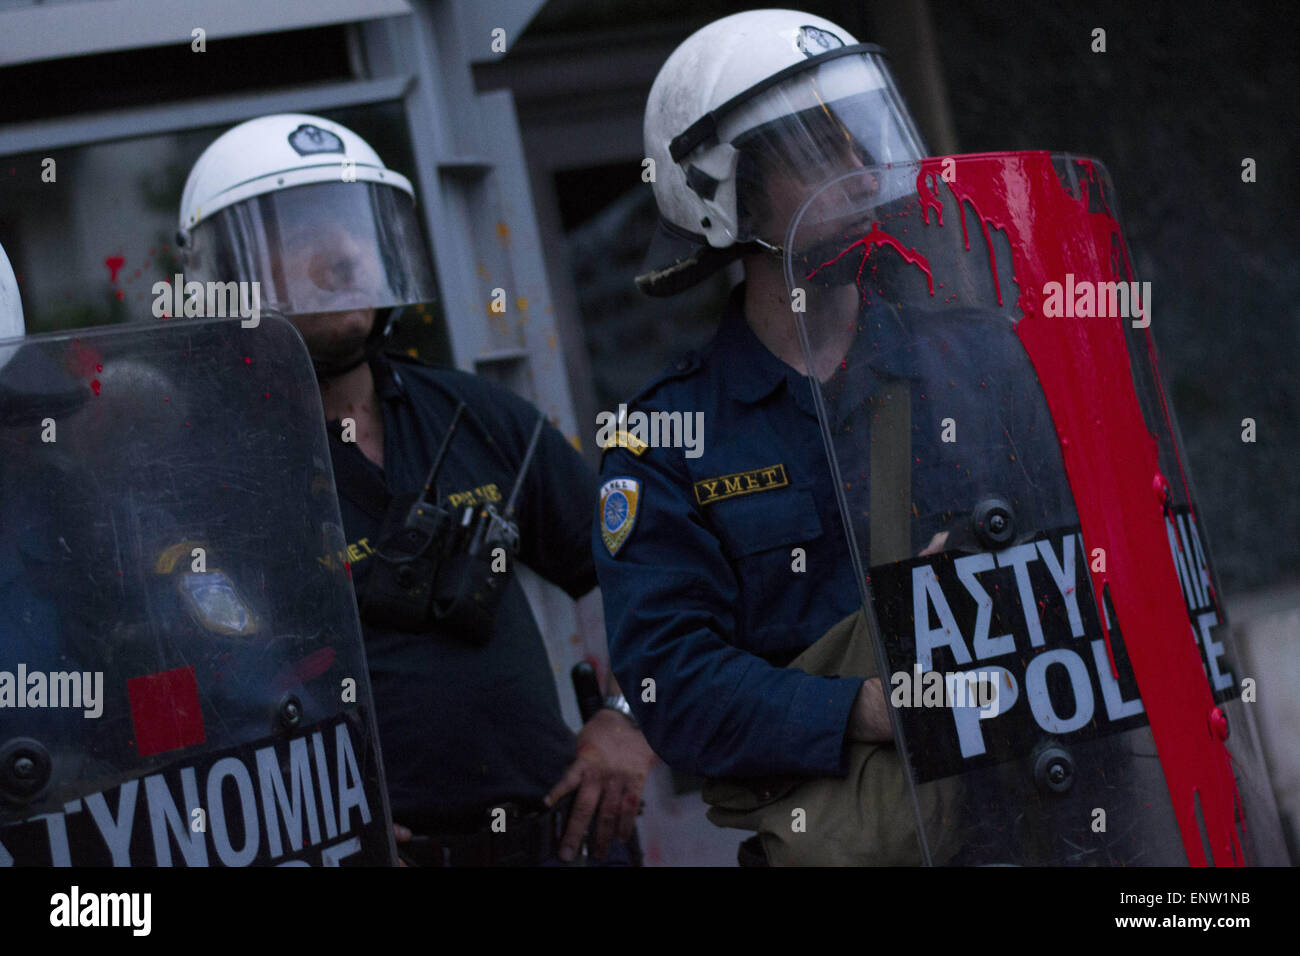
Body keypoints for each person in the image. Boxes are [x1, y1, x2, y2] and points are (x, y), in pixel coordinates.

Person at [593, 9, 1068, 866]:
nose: (857, 173)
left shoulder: (979, 353)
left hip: (1037, 814)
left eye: (860, 141)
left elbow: (1086, 567)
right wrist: (867, 708)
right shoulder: (663, 440)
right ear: (722, 191)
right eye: (817, 152)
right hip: (856, 838)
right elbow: (675, 688)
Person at [178, 113, 655, 866]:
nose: (338, 252)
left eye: (351, 225)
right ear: (224, 274)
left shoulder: (478, 416)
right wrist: (287, 826)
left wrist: (631, 715)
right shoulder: (208, 479)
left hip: (565, 839)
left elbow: (648, 564)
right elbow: (180, 703)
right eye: (300, 230)